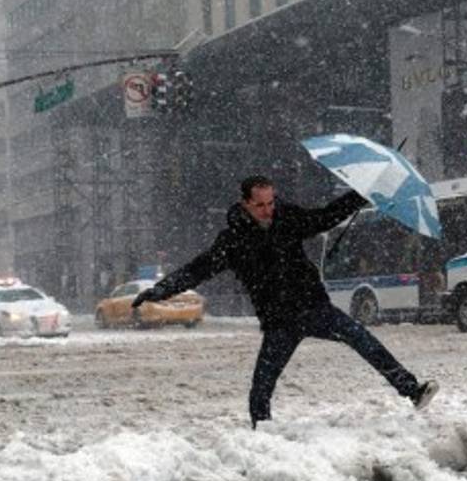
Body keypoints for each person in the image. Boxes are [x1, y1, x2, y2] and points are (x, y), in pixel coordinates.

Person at [133, 175, 438, 427]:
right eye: (261, 205)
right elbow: (196, 270)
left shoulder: (287, 218)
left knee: (364, 341)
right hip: (279, 321)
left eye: (271, 202)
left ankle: (412, 390)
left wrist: (360, 195)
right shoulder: (233, 242)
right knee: (263, 384)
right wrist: (160, 291)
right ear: (245, 204)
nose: (268, 210)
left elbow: (325, 217)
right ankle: (261, 431)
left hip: (315, 308)